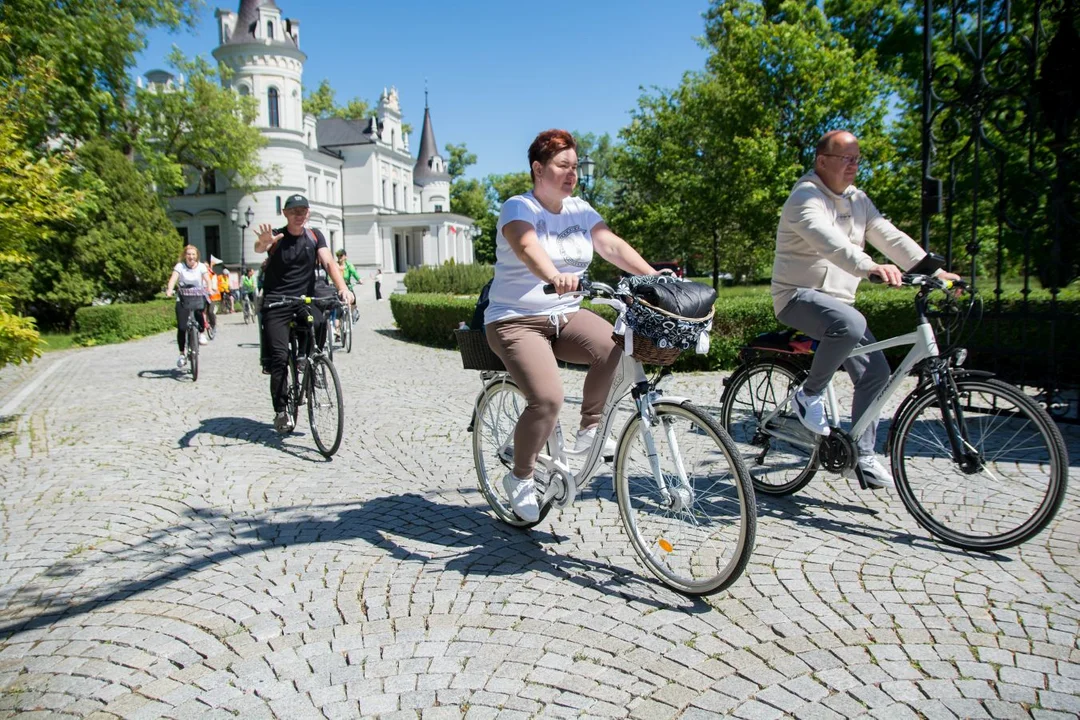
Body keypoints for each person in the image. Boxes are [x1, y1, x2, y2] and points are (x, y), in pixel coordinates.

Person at [485, 129, 659, 522]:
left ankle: (590, 428)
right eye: (562, 166)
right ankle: (521, 477)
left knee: (614, 344)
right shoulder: (519, 207)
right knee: (547, 399)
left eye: (575, 167)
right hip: (515, 320)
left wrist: (654, 277)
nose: (571, 174)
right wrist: (554, 275)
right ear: (538, 168)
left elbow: (610, 244)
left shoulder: (579, 209)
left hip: (564, 314)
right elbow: (526, 245)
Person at [772, 129, 962, 489]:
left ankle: (863, 454)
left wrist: (934, 271)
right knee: (851, 323)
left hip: (839, 304)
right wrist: (869, 266)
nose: (853, 166)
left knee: (877, 372)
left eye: (857, 159)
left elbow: (888, 235)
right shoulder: (805, 196)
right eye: (846, 158)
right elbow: (830, 243)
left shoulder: (858, 199)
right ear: (822, 161)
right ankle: (808, 395)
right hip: (797, 296)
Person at [255, 194, 354, 433]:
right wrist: (263, 243)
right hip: (277, 302)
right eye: (294, 211)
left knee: (319, 321)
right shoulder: (277, 236)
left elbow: (329, 262)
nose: (299, 214)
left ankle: (308, 360)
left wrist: (343, 289)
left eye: (303, 210)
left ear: (308, 213)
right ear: (286, 214)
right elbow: (261, 248)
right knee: (279, 357)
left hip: (303, 299)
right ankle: (281, 411)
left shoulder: (315, 236)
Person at [164, 245, 211, 367]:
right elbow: (173, 278)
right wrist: (170, 289)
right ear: (185, 255)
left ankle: (201, 333)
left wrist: (210, 288)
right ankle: (181, 354)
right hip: (183, 297)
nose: (191, 256)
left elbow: (207, 279)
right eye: (189, 254)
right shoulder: (180, 266)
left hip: (197, 296)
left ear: (197, 256)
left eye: (193, 254)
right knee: (182, 327)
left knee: (200, 311)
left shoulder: (201, 266)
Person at [336, 249, 363, 326]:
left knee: (353, 298)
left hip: (347, 286)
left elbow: (354, 273)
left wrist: (359, 279)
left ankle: (352, 313)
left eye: (341, 255)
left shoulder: (349, 265)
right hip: (338, 287)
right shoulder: (335, 265)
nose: (339, 257)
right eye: (338, 255)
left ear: (345, 257)